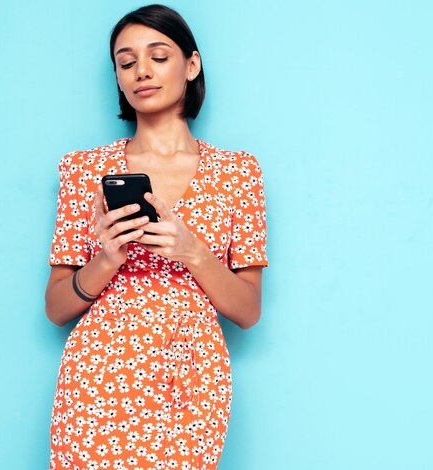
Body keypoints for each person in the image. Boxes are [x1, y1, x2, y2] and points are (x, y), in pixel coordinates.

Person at [45, 5, 268, 469]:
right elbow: (55, 308)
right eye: (126, 63)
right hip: (100, 374)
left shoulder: (238, 173)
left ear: (191, 65)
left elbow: (248, 311)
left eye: (158, 56)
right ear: (120, 79)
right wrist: (105, 260)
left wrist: (195, 253)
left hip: (192, 372)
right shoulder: (84, 170)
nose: (141, 71)